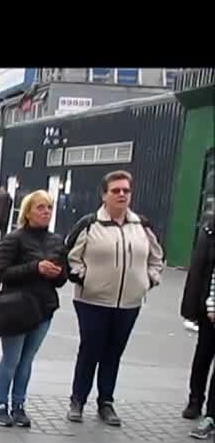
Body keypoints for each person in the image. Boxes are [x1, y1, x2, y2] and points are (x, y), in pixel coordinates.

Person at [65, 170, 165, 426]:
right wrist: (83, 277)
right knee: (90, 349)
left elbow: (156, 257)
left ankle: (106, 402)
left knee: (113, 352)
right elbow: (70, 256)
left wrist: (149, 280)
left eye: (126, 191)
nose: (121, 195)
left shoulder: (141, 226)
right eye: (115, 190)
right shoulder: (89, 224)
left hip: (129, 303)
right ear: (104, 195)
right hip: (92, 301)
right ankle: (78, 400)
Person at [0, 190, 67, 427]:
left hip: (43, 308)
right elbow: (2, 272)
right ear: (28, 212)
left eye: (49, 208)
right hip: (16, 308)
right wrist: (36, 268)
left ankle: (19, 405)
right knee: (11, 359)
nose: (46, 212)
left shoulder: (56, 240)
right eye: (40, 207)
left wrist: (58, 274)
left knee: (27, 360)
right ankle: (0, 405)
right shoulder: (14, 238)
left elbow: (63, 277)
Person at [179, 210, 215, 439]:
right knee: (203, 356)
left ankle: (211, 413)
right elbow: (200, 271)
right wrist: (198, 307)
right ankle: (195, 400)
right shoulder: (209, 230)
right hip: (209, 307)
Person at [0, 186, 13, 251]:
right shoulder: (8, 197)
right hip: (4, 217)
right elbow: (10, 205)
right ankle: (2, 248)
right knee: (3, 233)